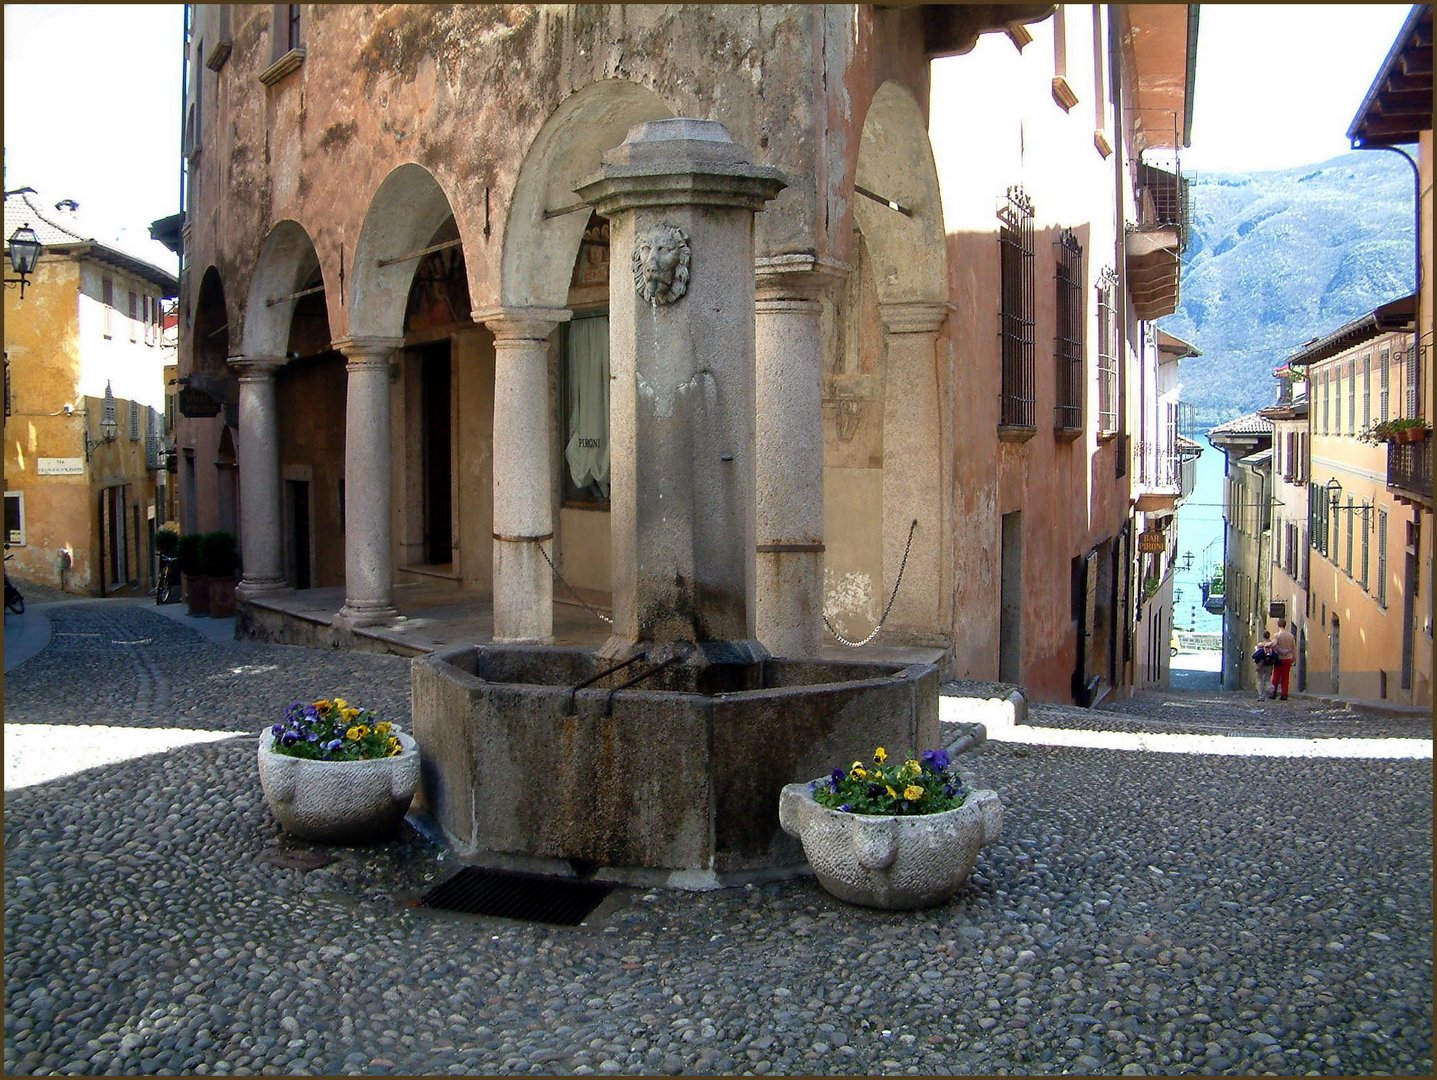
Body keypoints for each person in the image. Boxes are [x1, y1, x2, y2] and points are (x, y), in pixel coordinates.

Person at [1271, 618, 1297, 701]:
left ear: (1278, 625)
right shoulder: (1291, 636)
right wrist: (1294, 657)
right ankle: (1284, 694)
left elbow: (1274, 645)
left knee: (1276, 677)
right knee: (1286, 677)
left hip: (1279, 659)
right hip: (1288, 659)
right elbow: (1294, 648)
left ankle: (1273, 693)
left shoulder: (1277, 635)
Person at [1251, 631, 1275, 699]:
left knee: (1259, 680)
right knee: (1267, 679)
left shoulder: (1260, 645)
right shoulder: (1272, 645)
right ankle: (1271, 688)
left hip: (1260, 664)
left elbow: (1255, 655)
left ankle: (1261, 695)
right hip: (1269, 664)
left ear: (1263, 636)